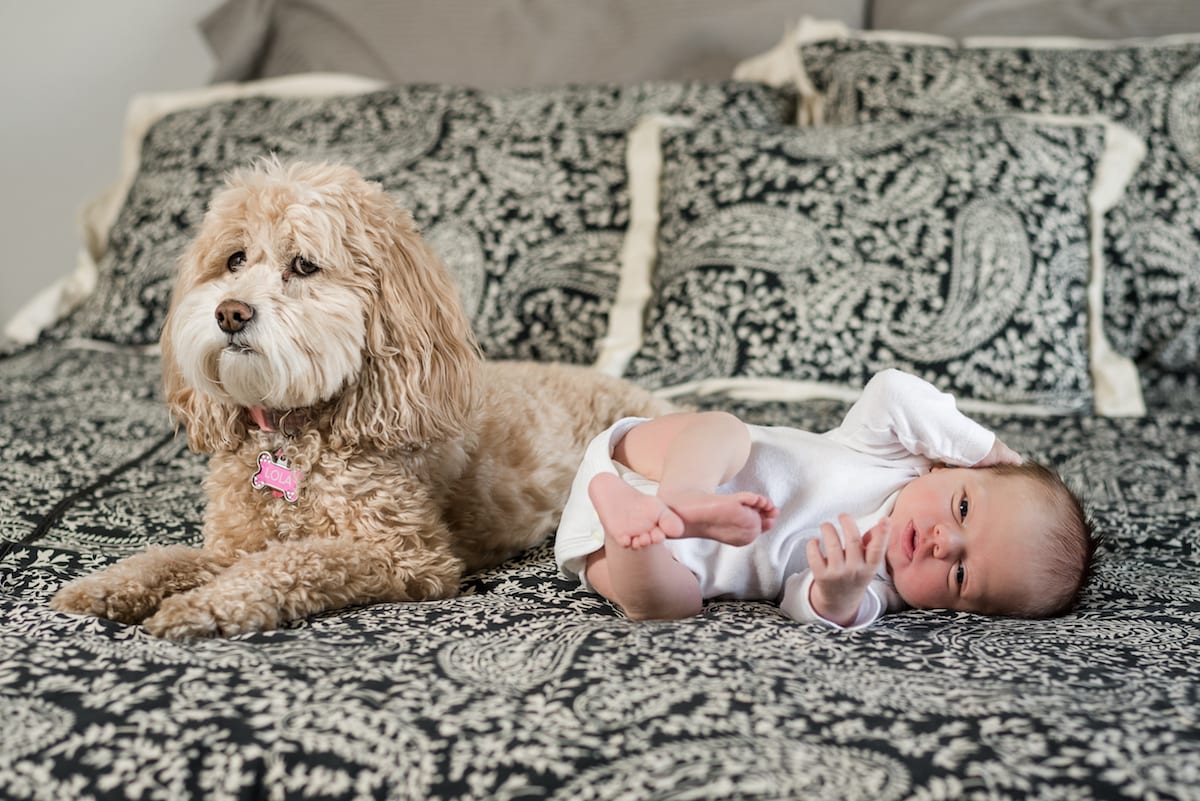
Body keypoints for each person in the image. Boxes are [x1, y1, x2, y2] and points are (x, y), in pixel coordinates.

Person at [554, 369, 1095, 629]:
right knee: (725, 430)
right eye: (963, 509)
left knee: (670, 607)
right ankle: (684, 496)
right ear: (949, 465)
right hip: (654, 458)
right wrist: (990, 447)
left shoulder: (878, 584)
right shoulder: (890, 455)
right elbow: (891, 389)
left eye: (960, 575)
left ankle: (630, 525)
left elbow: (806, 604)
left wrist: (837, 596)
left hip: (621, 543)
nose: (942, 543)